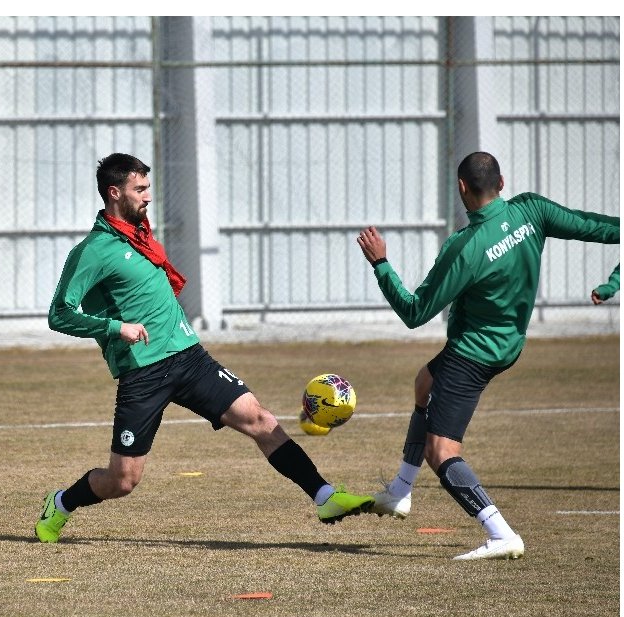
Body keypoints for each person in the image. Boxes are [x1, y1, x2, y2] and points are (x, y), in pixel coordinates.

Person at [35, 152, 375, 543]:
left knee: (260, 419)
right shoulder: (94, 251)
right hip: (143, 372)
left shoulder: (141, 236)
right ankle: (61, 503)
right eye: (139, 189)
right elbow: (59, 314)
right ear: (114, 193)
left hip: (190, 357)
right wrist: (116, 327)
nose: (148, 196)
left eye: (148, 187)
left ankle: (324, 496)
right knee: (123, 480)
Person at [355, 151, 619, 560]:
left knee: (441, 451)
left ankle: (500, 533)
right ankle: (400, 491)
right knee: (424, 383)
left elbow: (414, 312)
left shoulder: (466, 247)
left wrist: (381, 263)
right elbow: (595, 226)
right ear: (502, 182)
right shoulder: (532, 209)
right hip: (508, 343)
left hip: (473, 353)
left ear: (462, 187)